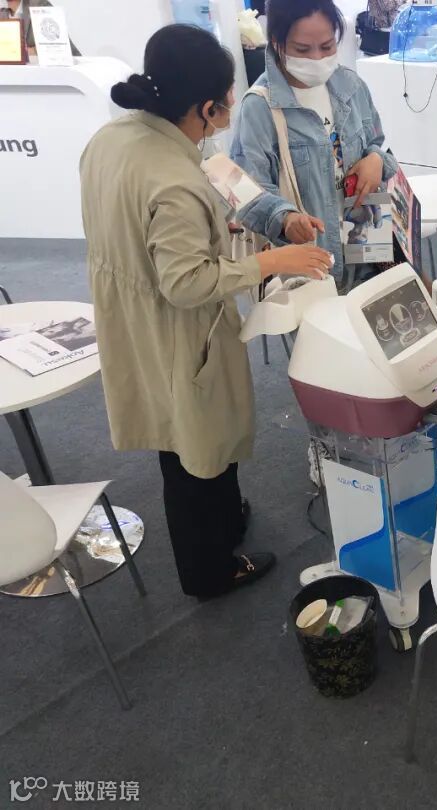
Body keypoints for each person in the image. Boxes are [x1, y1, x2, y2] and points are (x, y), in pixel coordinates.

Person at [80, 24, 333, 598]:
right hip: (177, 326)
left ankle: (224, 523)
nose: (230, 108)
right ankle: (210, 570)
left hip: (129, 315)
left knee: (185, 439)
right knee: (193, 447)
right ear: (204, 107)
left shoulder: (114, 139)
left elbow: (137, 229)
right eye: (224, 100)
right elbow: (185, 282)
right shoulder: (174, 180)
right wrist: (271, 262)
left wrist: (223, 229)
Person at [231, 0, 398, 273]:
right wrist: (284, 217)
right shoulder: (260, 106)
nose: (317, 58)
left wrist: (376, 160)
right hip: (310, 264)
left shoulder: (351, 86)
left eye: (327, 46)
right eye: (302, 49)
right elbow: (246, 189)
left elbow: (376, 144)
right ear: (277, 43)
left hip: (367, 251)